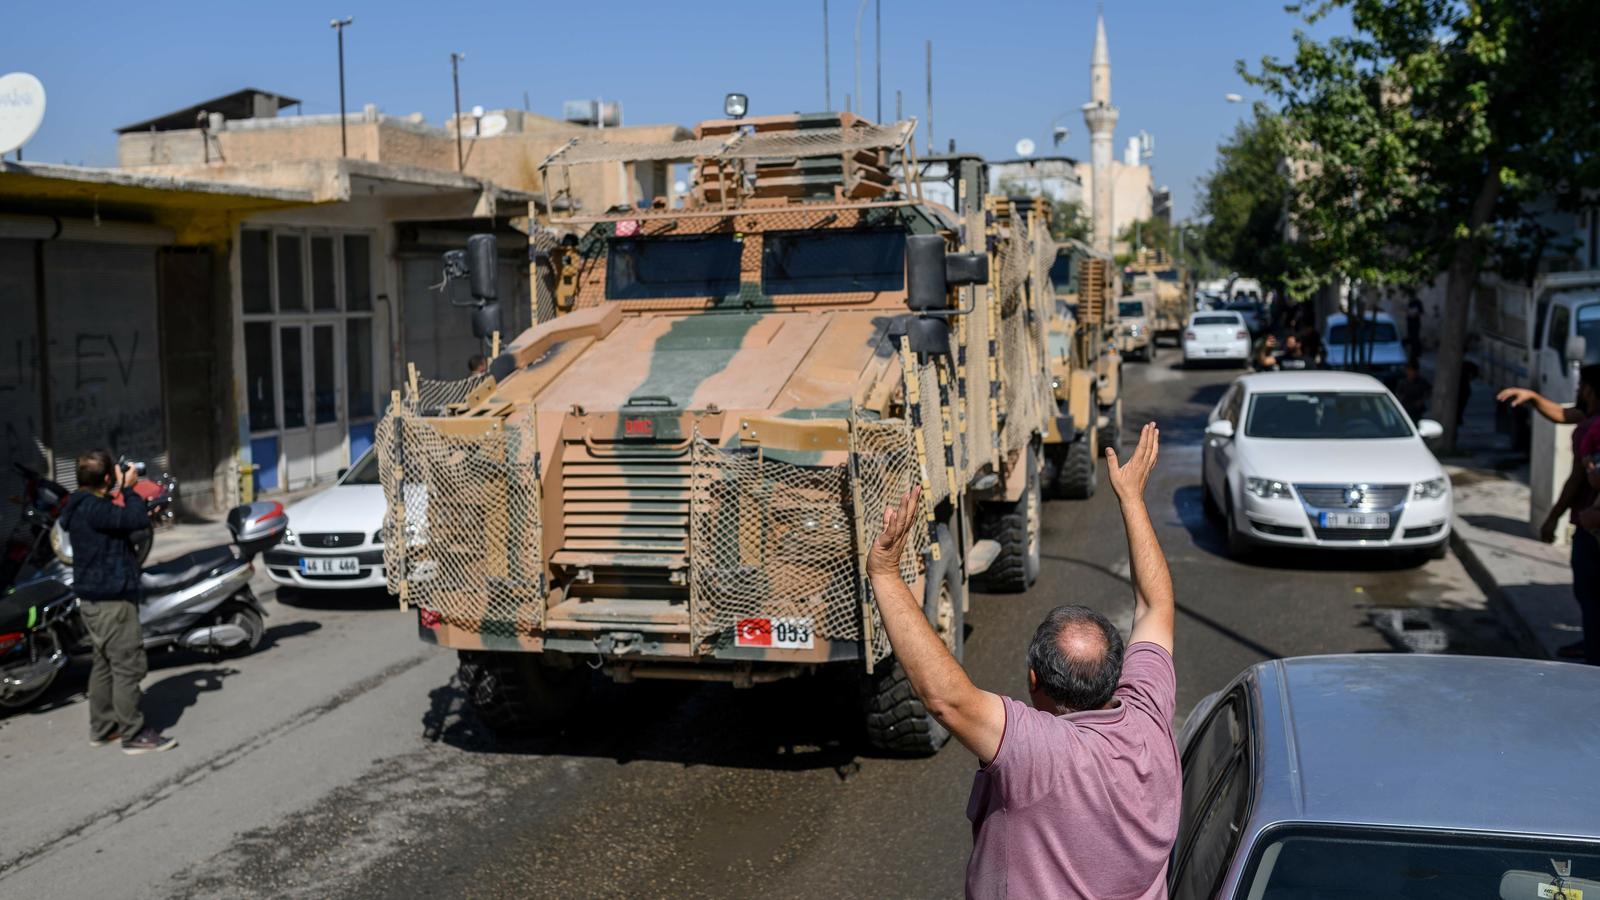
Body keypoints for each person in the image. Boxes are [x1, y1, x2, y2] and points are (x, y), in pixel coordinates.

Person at [868, 423, 1178, 899]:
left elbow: (947, 700)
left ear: (1034, 680)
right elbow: (1155, 607)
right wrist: (1132, 499)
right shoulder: (1150, 720)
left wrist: (886, 573)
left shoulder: (1041, 754)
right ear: (1116, 678)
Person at [59, 451, 177, 754]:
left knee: (104, 664)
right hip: (111, 600)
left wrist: (119, 488)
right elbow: (134, 519)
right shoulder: (96, 509)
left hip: (93, 600)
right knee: (127, 666)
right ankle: (134, 733)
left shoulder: (79, 505)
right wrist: (128, 488)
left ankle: (103, 727)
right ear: (107, 478)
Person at [1500, 364, 1600, 663]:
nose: (1579, 390)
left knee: (1591, 595)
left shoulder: (1594, 428)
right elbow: (1560, 413)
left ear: (1591, 389)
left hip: (1592, 527)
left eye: (1583, 385)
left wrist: (1553, 517)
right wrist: (1532, 397)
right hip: (1588, 523)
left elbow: (1577, 481)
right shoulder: (1589, 418)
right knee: (1590, 598)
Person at [1405, 296, 1425, 365]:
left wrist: (1414, 313)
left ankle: (1416, 352)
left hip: (1415, 324)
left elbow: (1420, 312)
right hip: (1411, 323)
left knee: (1415, 338)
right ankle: (1414, 352)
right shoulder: (1411, 302)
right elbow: (1408, 312)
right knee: (1412, 337)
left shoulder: (1417, 302)